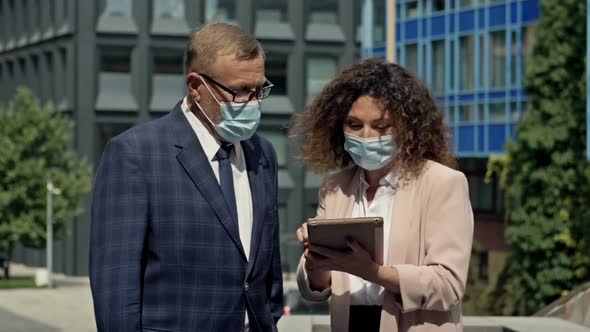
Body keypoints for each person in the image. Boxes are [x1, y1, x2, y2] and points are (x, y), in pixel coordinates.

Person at [89, 23, 283, 332]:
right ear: (195, 86)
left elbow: (266, 268)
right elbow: (116, 285)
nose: (253, 103)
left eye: (260, 90)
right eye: (240, 92)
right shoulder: (135, 154)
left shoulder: (263, 153)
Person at [293, 58, 474, 332]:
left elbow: (448, 286)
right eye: (354, 124)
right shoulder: (334, 187)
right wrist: (315, 256)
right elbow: (315, 288)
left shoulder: (443, 183)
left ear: (407, 128)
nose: (366, 136)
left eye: (381, 127)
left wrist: (370, 271)